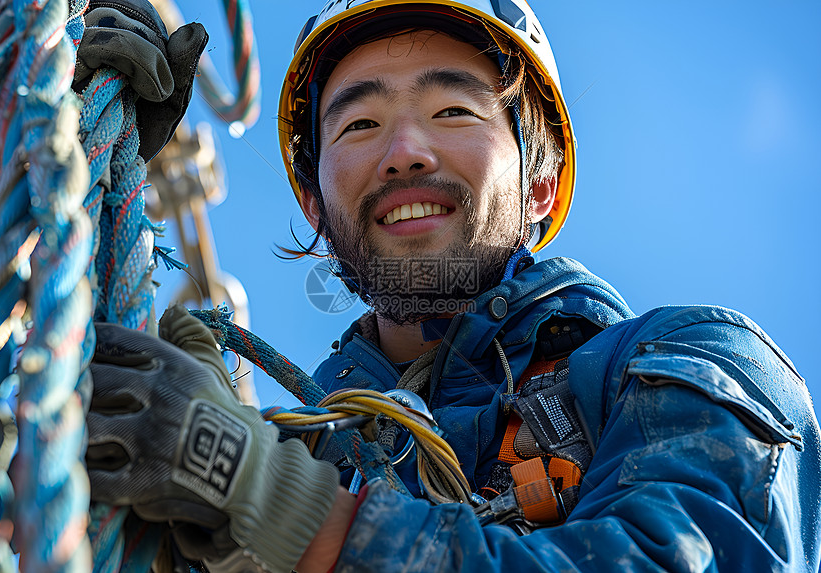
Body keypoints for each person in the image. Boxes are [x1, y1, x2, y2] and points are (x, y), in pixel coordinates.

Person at [84, 0, 821, 571]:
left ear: (541, 181)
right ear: (315, 203)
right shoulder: (304, 454)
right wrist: (83, 184)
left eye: (453, 111)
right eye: (361, 123)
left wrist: (286, 509)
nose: (405, 151)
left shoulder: (696, 362)